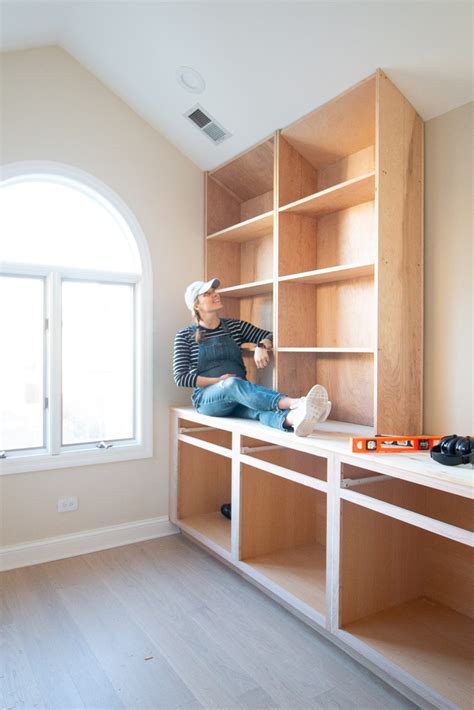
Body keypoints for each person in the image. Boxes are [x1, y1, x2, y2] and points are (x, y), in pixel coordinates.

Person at [173, 278, 332, 437]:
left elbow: (270, 335)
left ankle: (294, 419)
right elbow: (181, 377)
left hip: (240, 393)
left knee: (258, 411)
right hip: (207, 400)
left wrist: (261, 346)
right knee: (231, 384)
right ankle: (297, 403)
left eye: (214, 291)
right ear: (196, 305)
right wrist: (218, 381)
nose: (215, 294)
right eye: (208, 294)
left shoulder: (235, 327)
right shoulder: (185, 336)